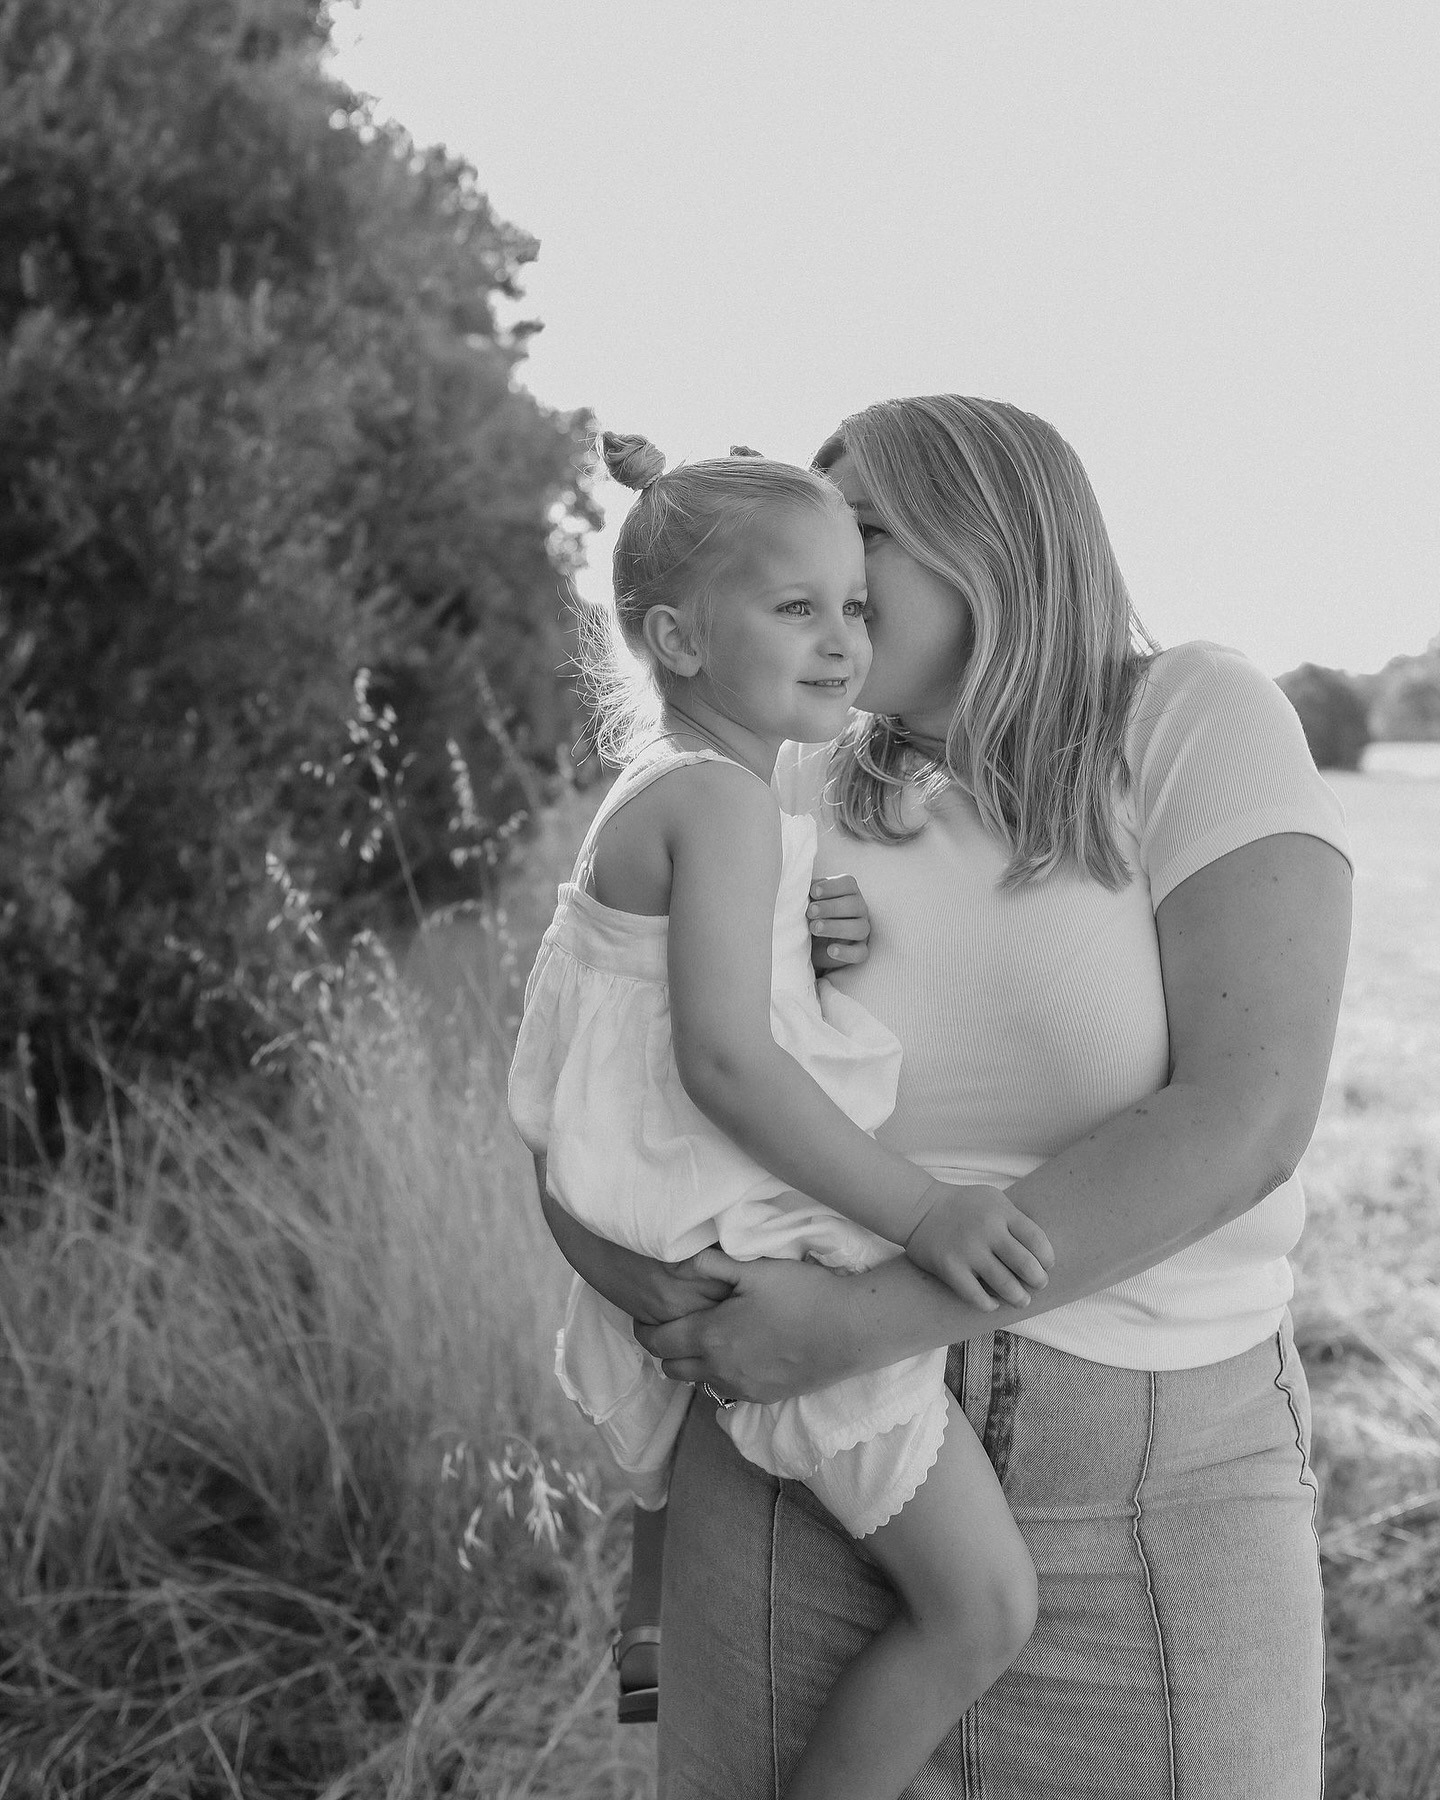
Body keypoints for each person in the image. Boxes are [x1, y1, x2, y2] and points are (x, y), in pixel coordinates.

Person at [540, 396, 1354, 1798]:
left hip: (1144, 1482)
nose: (833, 610)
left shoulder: (1192, 718)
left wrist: (853, 1326)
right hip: (798, 1472)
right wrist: (665, 1304)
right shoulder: (774, 777)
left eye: (864, 546)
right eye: (806, 577)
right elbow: (626, 1065)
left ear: (994, 543)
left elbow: (1247, 1118)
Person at [509, 430, 1057, 1800]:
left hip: (659, 1223)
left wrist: (794, 941)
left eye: (855, 605)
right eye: (796, 608)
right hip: (761, 1245)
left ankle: (706, 1706)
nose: (845, 640)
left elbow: (653, 1023)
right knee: (984, 1612)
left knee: (718, 1549)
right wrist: (925, 1210)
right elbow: (726, 1069)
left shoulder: (687, 798)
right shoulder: (721, 805)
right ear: (678, 639)